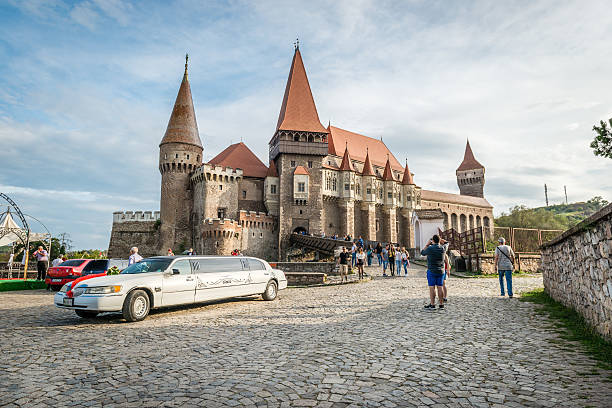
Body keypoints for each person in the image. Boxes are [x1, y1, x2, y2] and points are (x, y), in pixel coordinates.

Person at [421, 235, 447, 310]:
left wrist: (427, 244)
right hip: (441, 271)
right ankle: (441, 304)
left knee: (432, 288)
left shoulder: (430, 248)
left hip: (432, 270)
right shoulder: (443, 248)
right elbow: (447, 243)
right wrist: (441, 240)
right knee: (440, 287)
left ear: (433, 241)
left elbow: (422, 252)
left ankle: (432, 304)